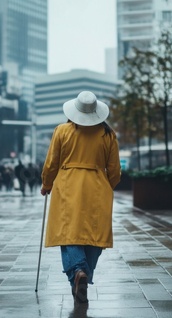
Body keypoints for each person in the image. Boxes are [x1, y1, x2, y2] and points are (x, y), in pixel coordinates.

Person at [40, 91, 121, 305]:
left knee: (68, 234)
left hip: (67, 185)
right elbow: (115, 171)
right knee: (94, 235)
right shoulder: (108, 134)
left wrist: (47, 184)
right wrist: (106, 186)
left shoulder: (62, 131)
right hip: (97, 186)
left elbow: (51, 164)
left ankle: (78, 271)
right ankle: (83, 276)